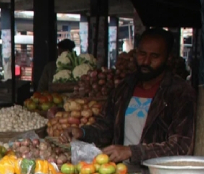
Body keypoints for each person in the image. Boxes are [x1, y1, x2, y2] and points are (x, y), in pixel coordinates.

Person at [59, 27, 196, 165]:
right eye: (142, 54)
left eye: (154, 56)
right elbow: (106, 128)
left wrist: (131, 152)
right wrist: (82, 132)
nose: (146, 61)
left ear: (167, 58)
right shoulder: (124, 88)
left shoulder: (179, 92)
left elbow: (181, 146)